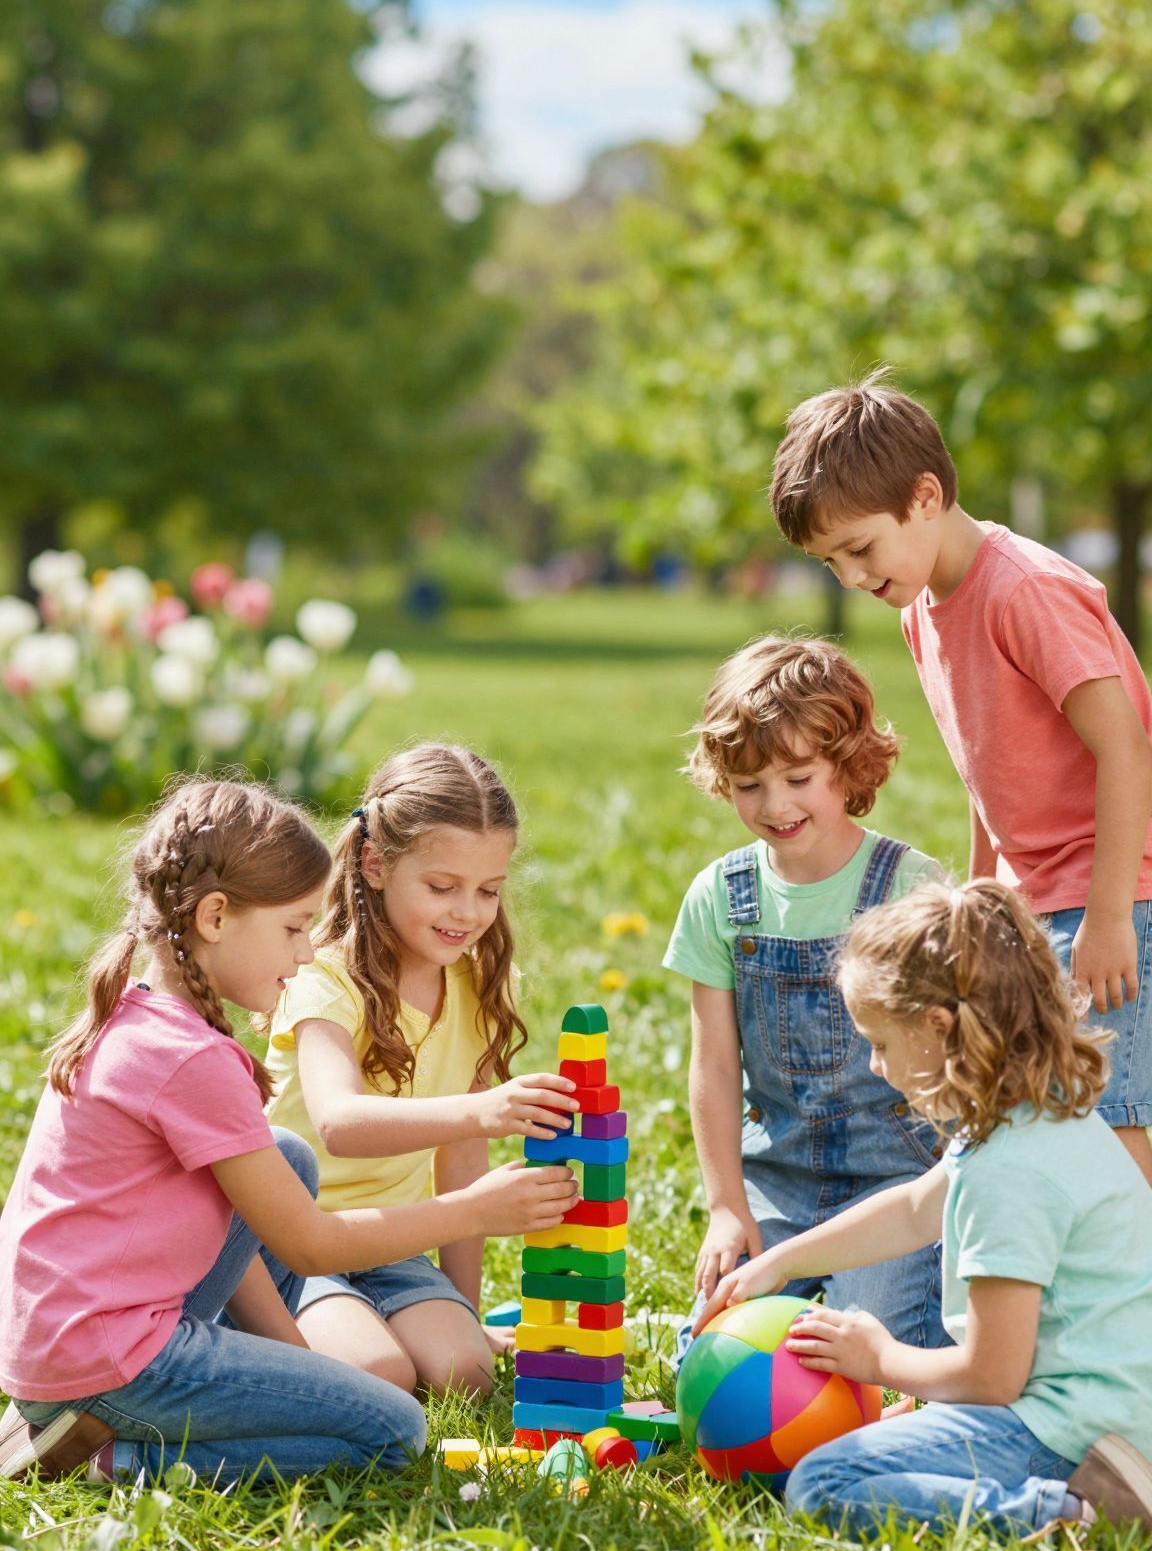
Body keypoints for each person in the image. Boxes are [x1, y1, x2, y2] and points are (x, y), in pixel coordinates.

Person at [0, 778, 575, 1486]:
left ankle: (86, 1412)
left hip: (69, 1345)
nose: (306, 954)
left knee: (287, 1155)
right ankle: (108, 1459)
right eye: (294, 929)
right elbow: (310, 1244)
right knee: (394, 1431)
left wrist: (298, 1371)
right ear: (215, 916)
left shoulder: (146, 1016)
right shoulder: (191, 1058)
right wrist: (475, 1210)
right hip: (110, 1361)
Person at [770, 372, 1152, 1180]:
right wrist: (981, 907)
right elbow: (989, 774)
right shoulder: (921, 607)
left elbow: (1127, 745)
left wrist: (1112, 913)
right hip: (1040, 903)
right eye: (829, 561)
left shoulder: (1026, 592)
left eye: (859, 548)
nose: (849, 577)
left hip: (1119, 896)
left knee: (1113, 1127)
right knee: (1042, 1115)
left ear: (925, 496)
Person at [697, 879, 1152, 1538]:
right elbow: (916, 1207)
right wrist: (780, 1263)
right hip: (1115, 1409)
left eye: (880, 1043)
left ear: (939, 1030)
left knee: (824, 1483)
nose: (877, 1066)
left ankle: (1080, 1513)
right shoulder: (1033, 1118)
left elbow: (993, 1377)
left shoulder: (1010, 1172)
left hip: (1075, 1428)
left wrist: (878, 1359)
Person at [266, 744, 580, 1398]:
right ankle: (252, 1324)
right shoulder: (322, 980)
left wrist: (463, 1308)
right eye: (442, 888)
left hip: (394, 1244)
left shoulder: (479, 984)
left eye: (487, 890)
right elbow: (339, 1123)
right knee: (382, 1375)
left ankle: (415, 1322)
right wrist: (483, 1111)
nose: (467, 912)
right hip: (298, 1247)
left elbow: (461, 1163)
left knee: (466, 1374)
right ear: (376, 865)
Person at [664, 635, 947, 1360]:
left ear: (848, 768)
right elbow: (715, 1069)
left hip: (896, 1185)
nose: (774, 804)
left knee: (862, 1365)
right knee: (711, 1364)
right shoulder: (720, 897)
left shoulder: (909, 888)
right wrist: (728, 1209)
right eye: (749, 784)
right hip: (776, 1188)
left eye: (797, 777)